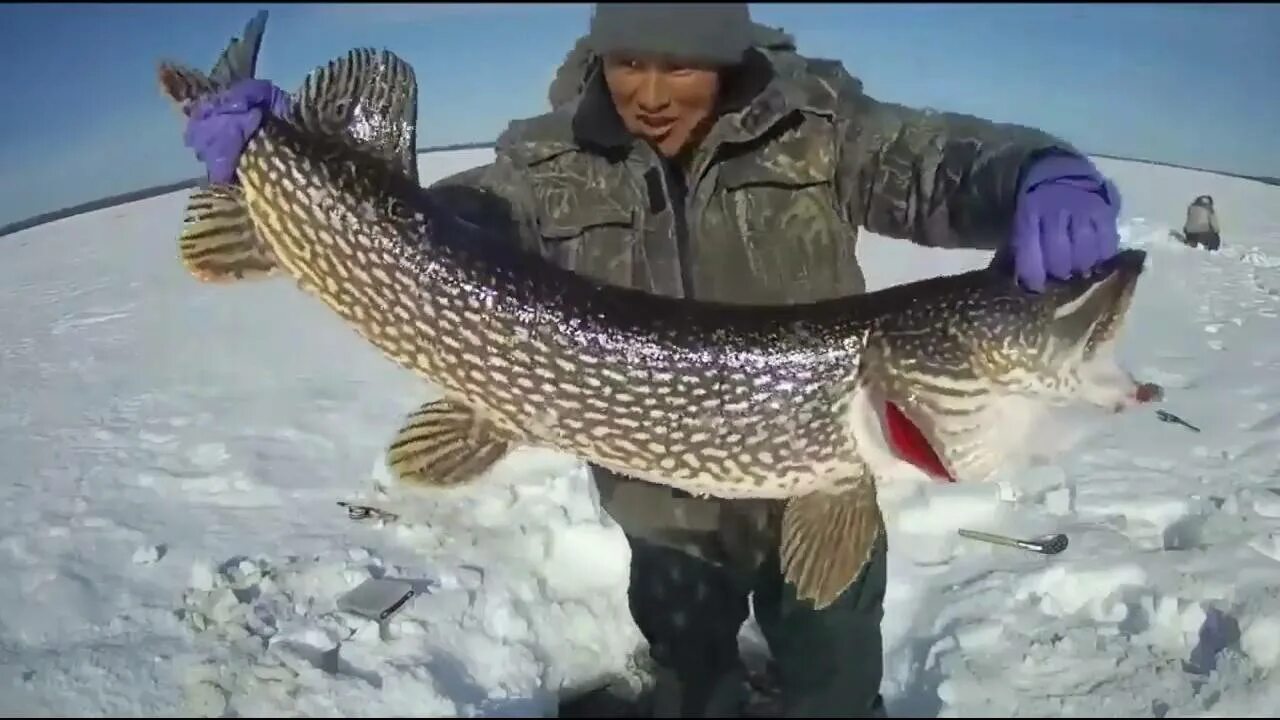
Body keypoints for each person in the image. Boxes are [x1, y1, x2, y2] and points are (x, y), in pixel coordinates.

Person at [181, 4, 1123, 716]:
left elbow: (933, 163)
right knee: (690, 665)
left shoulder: (821, 127)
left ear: (730, 53)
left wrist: (1037, 170)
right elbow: (452, 228)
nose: (654, 90)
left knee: (834, 665)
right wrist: (284, 173)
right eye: (630, 59)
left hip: (826, 483)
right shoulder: (543, 163)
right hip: (657, 505)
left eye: (685, 61)